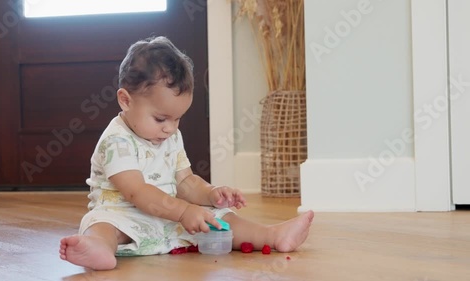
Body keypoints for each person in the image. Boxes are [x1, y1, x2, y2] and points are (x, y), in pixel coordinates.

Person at [59, 36, 314, 270]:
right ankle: (98, 248)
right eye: (160, 118)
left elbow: (185, 181)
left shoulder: (170, 135)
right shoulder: (116, 140)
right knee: (102, 225)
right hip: (125, 216)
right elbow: (136, 192)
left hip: (168, 216)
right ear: (125, 100)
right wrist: (183, 212)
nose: (170, 128)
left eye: (177, 118)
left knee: (220, 218)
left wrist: (211, 194)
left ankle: (272, 236)